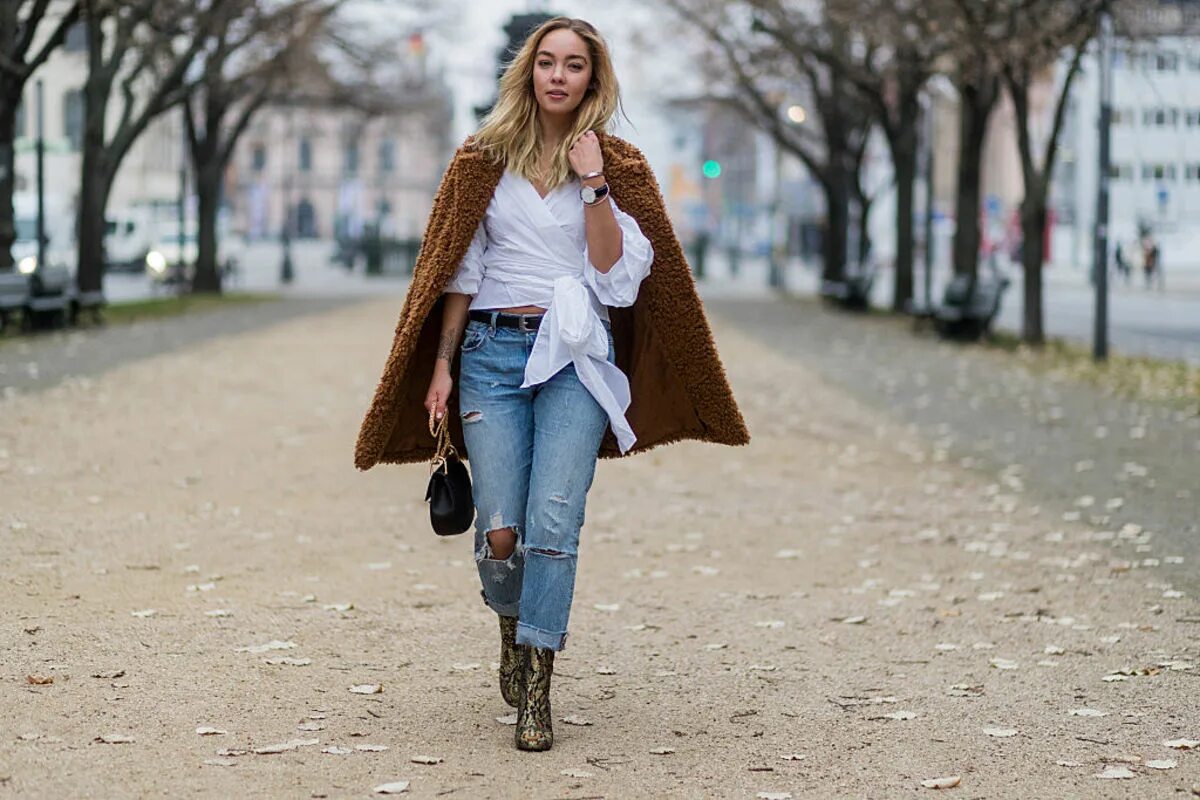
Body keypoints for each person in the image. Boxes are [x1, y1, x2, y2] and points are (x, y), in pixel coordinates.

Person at [353, 17, 749, 752]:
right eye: (547, 62)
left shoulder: (617, 165)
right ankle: (511, 621)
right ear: (529, 73)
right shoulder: (481, 158)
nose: (559, 75)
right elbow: (457, 272)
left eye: (574, 65)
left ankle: (538, 684)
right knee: (501, 531)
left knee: (556, 524)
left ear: (593, 80)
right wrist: (440, 364)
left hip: (575, 358)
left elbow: (615, 279)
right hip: (491, 353)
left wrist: (595, 181)